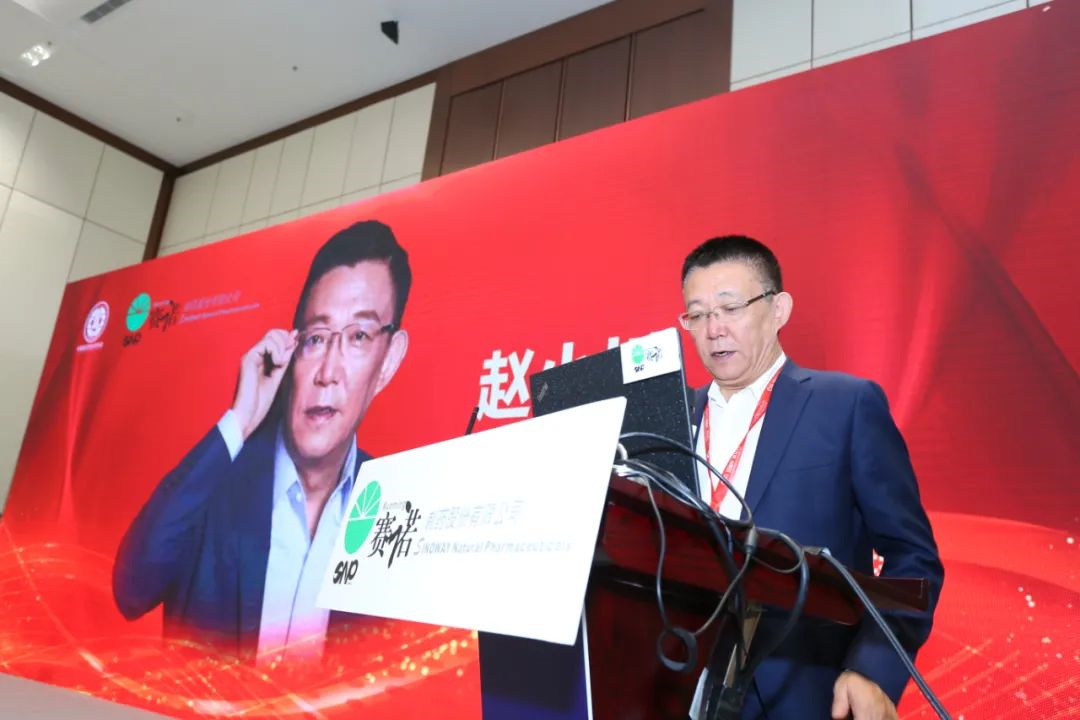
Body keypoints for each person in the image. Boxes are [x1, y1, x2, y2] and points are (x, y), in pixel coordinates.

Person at [113, 220, 411, 666]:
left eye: (358, 337)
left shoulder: (395, 507)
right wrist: (241, 419)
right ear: (292, 349)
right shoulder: (218, 482)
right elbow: (131, 590)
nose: (328, 372)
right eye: (316, 339)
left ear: (388, 360)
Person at [679, 236, 943, 720]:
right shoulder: (672, 420)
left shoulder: (844, 405)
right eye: (697, 315)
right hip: (674, 689)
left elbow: (913, 558)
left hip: (800, 695)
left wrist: (873, 670)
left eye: (730, 308)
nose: (714, 330)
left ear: (779, 309)